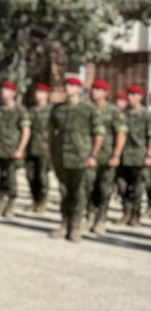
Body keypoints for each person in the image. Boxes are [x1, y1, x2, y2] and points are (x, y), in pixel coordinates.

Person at [48, 76, 104, 242]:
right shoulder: (57, 109)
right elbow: (51, 133)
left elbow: (99, 134)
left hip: (81, 158)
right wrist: (51, 153)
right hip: (62, 157)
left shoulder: (89, 109)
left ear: (79, 89)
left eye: (73, 85)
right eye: (67, 84)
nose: (69, 87)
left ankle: (76, 227)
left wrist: (93, 155)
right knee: (64, 193)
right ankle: (64, 224)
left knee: (80, 194)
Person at [86, 79, 127, 234]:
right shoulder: (86, 109)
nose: (95, 92)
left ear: (105, 93)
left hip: (106, 156)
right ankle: (89, 217)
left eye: (99, 89)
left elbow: (121, 134)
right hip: (88, 156)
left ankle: (101, 218)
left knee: (104, 189)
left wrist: (116, 155)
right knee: (88, 188)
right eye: (93, 89)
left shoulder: (114, 111)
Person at [0, 81, 30, 217]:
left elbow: (25, 131)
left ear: (13, 93)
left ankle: (10, 204)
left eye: (7, 90)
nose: (3, 92)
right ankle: (0, 203)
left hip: (12, 150)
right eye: (2, 89)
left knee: (11, 179)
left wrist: (20, 149)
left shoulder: (20, 110)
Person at [116, 85, 151, 226]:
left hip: (139, 156)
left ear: (140, 97)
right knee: (122, 187)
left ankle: (135, 216)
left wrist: (149, 155)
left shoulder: (146, 115)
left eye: (134, 94)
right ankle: (126, 213)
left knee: (138, 189)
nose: (130, 97)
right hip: (123, 157)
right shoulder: (122, 114)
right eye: (129, 94)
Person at [25, 83, 52, 213]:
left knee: (42, 176)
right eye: (36, 92)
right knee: (30, 175)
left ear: (47, 95)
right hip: (30, 147)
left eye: (41, 92)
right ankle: (35, 200)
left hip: (44, 148)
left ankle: (42, 201)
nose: (37, 95)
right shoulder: (30, 110)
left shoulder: (51, 111)